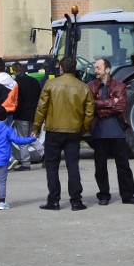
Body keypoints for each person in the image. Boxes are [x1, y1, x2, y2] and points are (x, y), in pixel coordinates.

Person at [32, 56, 95, 211]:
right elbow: (89, 113)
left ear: (61, 68)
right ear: (74, 69)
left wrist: (36, 128)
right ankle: (76, 201)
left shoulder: (51, 84)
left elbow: (41, 108)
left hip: (53, 131)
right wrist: (84, 128)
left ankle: (53, 201)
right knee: (73, 166)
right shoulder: (84, 87)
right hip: (73, 131)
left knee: (52, 166)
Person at [87, 58, 134, 205]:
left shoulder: (120, 86)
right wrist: (111, 102)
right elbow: (90, 105)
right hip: (98, 132)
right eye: (95, 68)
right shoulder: (90, 86)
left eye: (98, 68)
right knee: (100, 167)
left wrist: (102, 107)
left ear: (107, 69)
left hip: (117, 131)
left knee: (123, 165)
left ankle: (128, 195)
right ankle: (104, 195)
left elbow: (121, 107)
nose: (95, 70)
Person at [0, 110, 36, 210]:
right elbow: (18, 140)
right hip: (3, 159)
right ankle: (2, 203)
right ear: (5, 119)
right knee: (1, 182)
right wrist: (31, 139)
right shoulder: (7, 129)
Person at [7, 62, 42, 171]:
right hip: (33, 114)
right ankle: (44, 154)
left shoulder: (16, 84)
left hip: (21, 115)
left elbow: (13, 100)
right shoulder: (34, 81)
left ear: (14, 71)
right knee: (31, 137)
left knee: (22, 140)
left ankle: (26, 163)